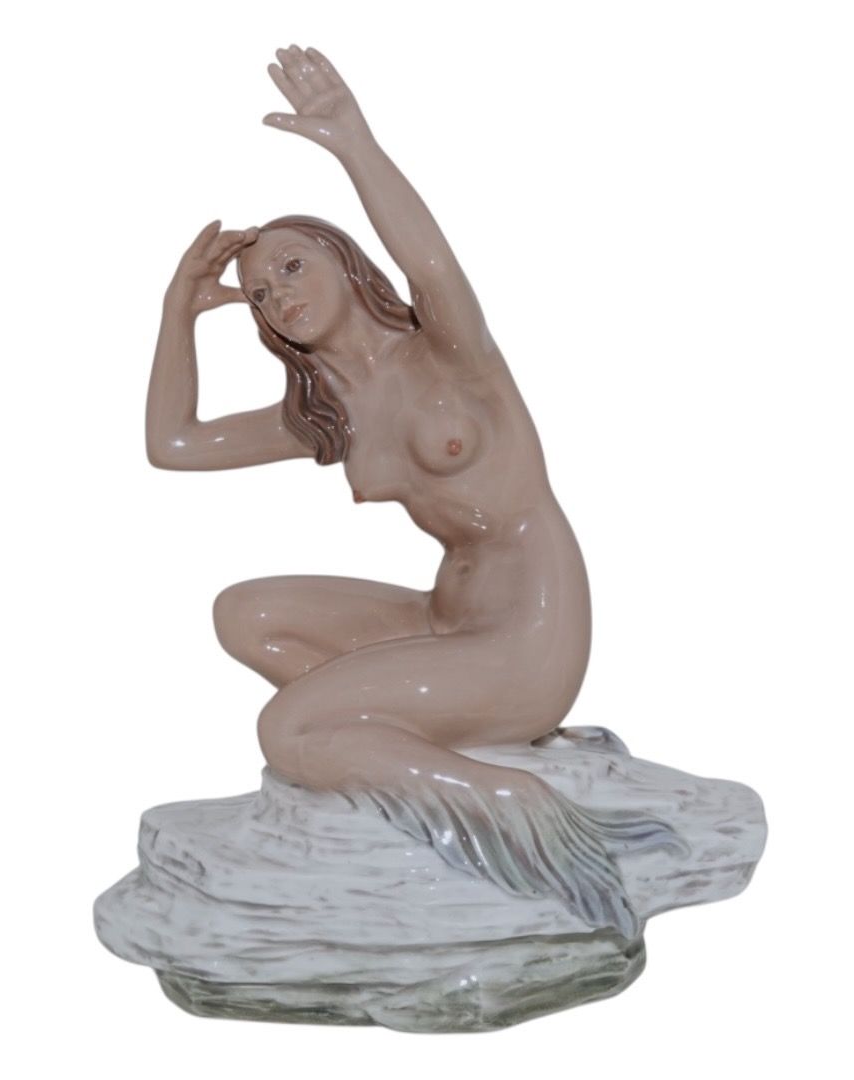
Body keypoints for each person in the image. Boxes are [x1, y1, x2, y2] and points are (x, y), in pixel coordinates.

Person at [144, 46, 684, 938]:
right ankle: (386, 749)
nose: (277, 296)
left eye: (292, 267)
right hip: (446, 622)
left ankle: (506, 796)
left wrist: (352, 140)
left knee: (288, 731)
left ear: (345, 263)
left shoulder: (447, 350)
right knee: (244, 615)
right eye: (260, 294)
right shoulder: (329, 414)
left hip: (529, 636)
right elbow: (174, 446)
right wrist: (177, 311)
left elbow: (428, 261)